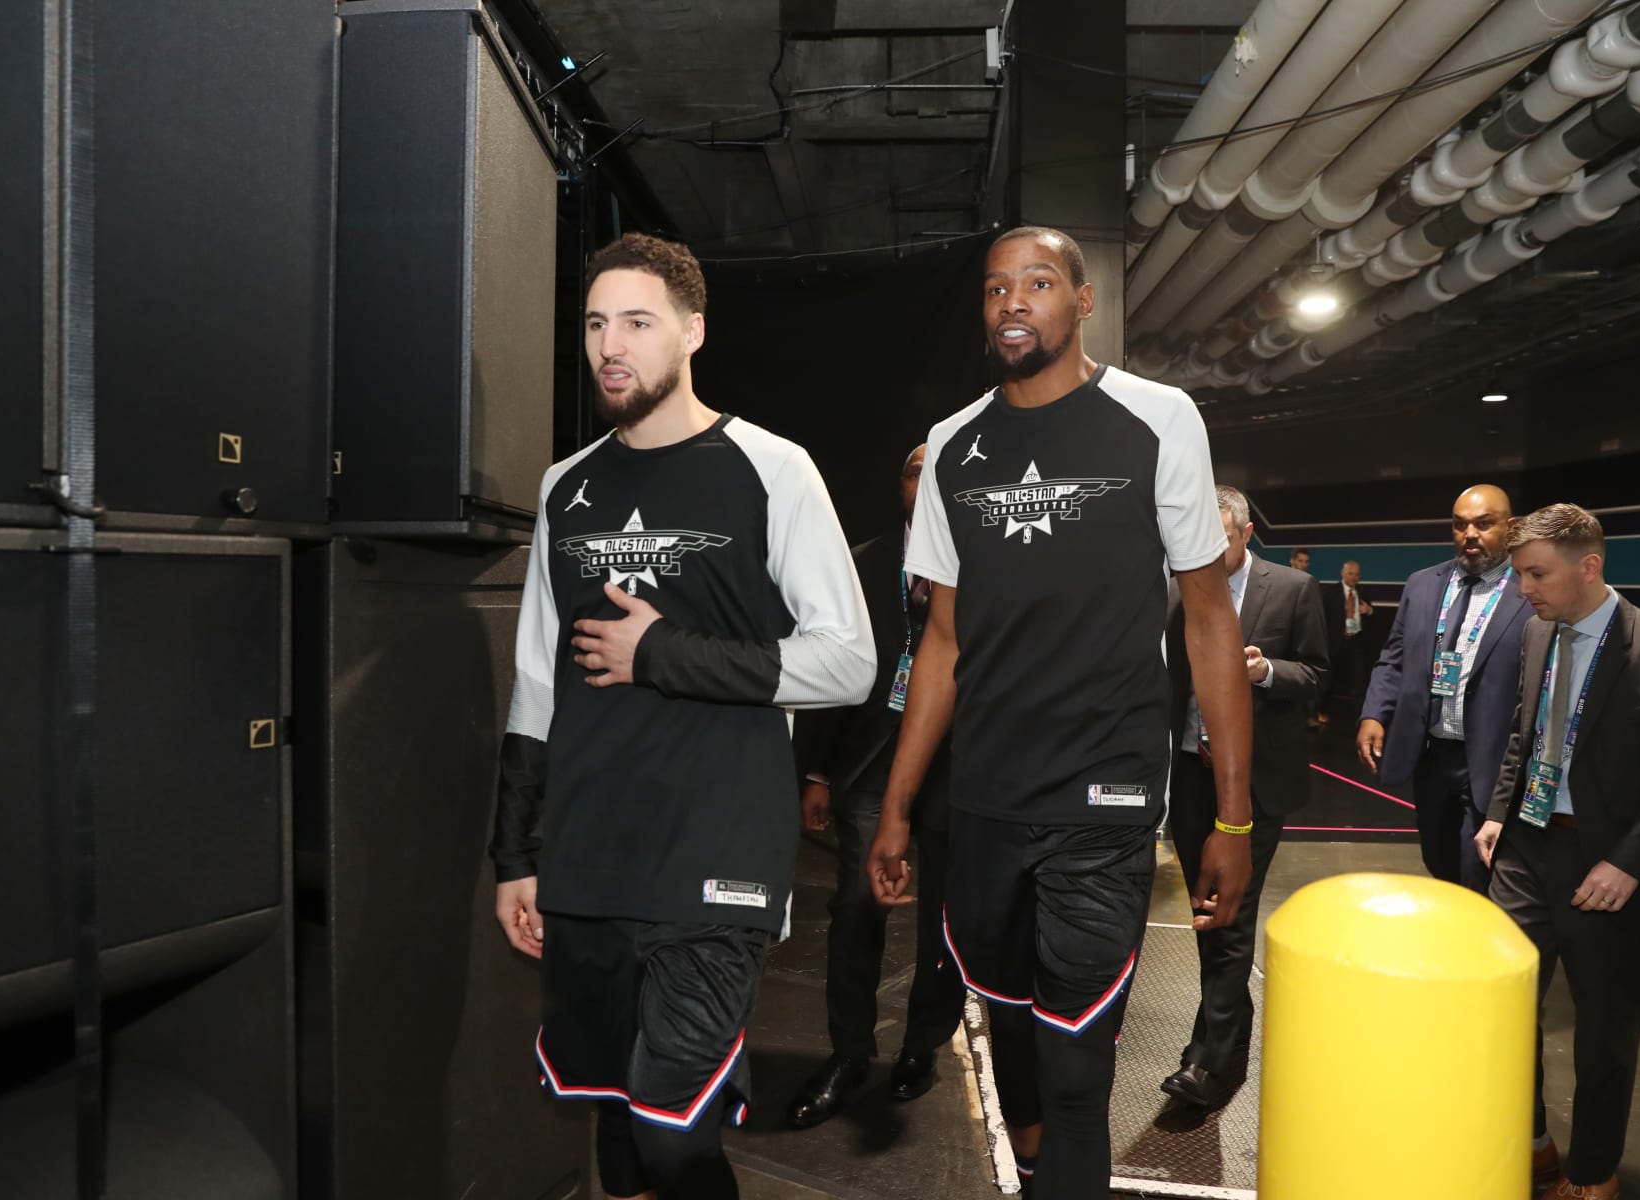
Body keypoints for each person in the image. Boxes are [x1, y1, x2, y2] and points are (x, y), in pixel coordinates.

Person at [866, 225, 1254, 1199]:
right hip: (988, 798)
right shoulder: (956, 443)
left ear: (1083, 303)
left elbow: (1208, 621)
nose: (1013, 303)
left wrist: (1234, 820)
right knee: (1009, 1027)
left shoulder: (1159, 418)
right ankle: (1037, 1170)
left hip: (1108, 798)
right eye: (997, 288)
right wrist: (898, 803)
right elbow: (943, 644)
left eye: (1038, 283)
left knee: (1080, 1067)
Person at [489, 233, 876, 1200]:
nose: (609, 345)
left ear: (692, 331)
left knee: (674, 1134)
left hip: (715, 850)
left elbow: (849, 663)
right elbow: (538, 679)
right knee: (619, 1130)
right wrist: (515, 854)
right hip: (589, 851)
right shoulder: (564, 486)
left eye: (637, 322)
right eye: (594, 324)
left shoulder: (772, 468)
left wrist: (662, 653)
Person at [1475, 504, 1640, 1200]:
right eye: (1518, 575)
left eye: (1536, 575)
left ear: (1589, 567)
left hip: (1611, 869)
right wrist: (1497, 815)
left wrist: (1629, 861)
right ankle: (1533, 1144)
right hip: (1525, 849)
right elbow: (1525, 732)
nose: (1523, 591)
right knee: (1502, 1012)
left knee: (1604, 1032)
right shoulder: (1540, 634)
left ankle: (1593, 1174)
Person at [784, 444, 965, 1129]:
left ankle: (922, 1048)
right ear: (901, 485)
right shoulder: (860, 563)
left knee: (943, 920)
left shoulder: (983, 559)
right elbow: (831, 673)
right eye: (914, 468)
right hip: (868, 763)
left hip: (954, 763)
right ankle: (849, 1053)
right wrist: (818, 771)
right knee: (857, 907)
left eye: (937, 469)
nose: (925, 479)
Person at [1162, 486, 1329, 1109]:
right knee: (1209, 912)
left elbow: (1317, 675)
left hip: (1256, 785)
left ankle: (1208, 1061)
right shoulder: (1176, 592)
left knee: (1228, 911)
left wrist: (1265, 672)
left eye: (1220, 538)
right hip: (1188, 774)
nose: (1205, 550)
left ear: (1247, 533)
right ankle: (1228, 1034)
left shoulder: (1290, 590)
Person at [1356, 485, 1531, 890]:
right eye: (1460, 525)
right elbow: (1394, 658)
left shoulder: (1528, 590)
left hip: (1490, 756)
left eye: (1484, 524)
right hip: (1432, 754)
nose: (1470, 533)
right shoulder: (1422, 583)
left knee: (1477, 868)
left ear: (1511, 527)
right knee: (1438, 859)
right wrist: (1373, 712)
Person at [1317, 559, 1373, 724]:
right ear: (1343, 573)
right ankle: (1321, 711)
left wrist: (1369, 610)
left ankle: (1360, 719)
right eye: (1350, 573)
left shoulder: (1363, 592)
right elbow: (1321, 617)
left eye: (1357, 574)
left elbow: (1371, 616)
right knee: (1328, 680)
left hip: (1356, 642)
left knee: (1358, 681)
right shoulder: (1330, 591)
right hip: (1334, 643)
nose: (1354, 577)